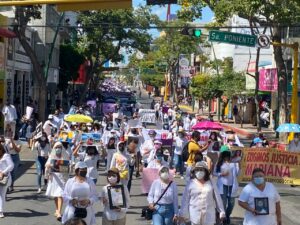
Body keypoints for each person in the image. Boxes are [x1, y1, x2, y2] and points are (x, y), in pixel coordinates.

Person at [45, 141, 72, 221]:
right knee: (56, 195)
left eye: (59, 147)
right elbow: (46, 165)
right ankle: (57, 209)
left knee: (60, 195)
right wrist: (50, 165)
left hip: (62, 178)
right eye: (56, 147)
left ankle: (59, 212)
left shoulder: (65, 155)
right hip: (54, 178)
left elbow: (68, 166)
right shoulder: (52, 156)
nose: (58, 149)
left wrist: (69, 166)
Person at [214, 150, 239, 224]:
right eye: (227, 157)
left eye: (229, 157)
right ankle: (223, 218)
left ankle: (227, 215)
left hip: (232, 186)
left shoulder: (234, 164)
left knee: (231, 204)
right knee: (223, 203)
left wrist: (240, 165)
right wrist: (221, 174)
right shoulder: (219, 164)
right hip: (222, 186)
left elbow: (237, 174)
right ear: (224, 157)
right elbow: (214, 173)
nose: (228, 158)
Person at [0, 144, 14, 218]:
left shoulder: (6, 156)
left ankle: (1, 211)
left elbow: (11, 165)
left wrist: (3, 172)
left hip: (5, 178)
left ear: (1, 149)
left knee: (1, 194)